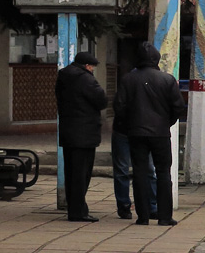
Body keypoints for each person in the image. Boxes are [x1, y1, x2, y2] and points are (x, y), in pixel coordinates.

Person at [114, 43, 186, 226]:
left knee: (139, 173)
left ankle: (143, 216)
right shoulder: (167, 80)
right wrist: (166, 122)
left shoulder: (127, 79)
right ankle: (164, 216)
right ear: (157, 59)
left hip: (136, 133)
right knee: (163, 173)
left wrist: (130, 125)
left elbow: (119, 107)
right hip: (160, 133)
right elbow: (178, 107)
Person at [54, 50, 107, 222]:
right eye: (92, 67)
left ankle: (74, 207)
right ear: (87, 66)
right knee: (81, 174)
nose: (92, 70)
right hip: (84, 134)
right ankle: (78, 211)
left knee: (71, 173)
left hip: (69, 131)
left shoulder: (63, 76)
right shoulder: (86, 79)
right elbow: (102, 100)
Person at [111, 45, 157, 220]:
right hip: (145, 131)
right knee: (148, 169)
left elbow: (118, 105)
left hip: (124, 129)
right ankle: (151, 206)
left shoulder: (127, 79)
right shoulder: (161, 79)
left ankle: (124, 206)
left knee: (122, 169)